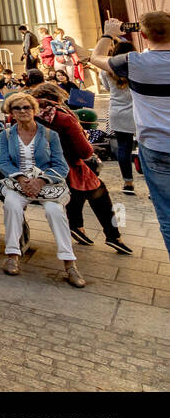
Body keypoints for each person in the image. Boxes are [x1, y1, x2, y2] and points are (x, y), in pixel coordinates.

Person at [90, 14, 170, 257]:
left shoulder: (133, 62)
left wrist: (107, 33)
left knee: (167, 215)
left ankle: (128, 180)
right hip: (152, 145)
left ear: (143, 35)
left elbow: (96, 58)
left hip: (156, 145)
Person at [31, 82, 131, 255]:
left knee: (81, 186)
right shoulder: (62, 117)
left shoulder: (26, 113)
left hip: (33, 168)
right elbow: (84, 151)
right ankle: (113, 235)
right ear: (56, 97)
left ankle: (77, 226)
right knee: (97, 189)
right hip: (63, 168)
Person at [0, 93, 85, 287]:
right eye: (17, 108)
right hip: (19, 183)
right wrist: (20, 177)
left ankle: (69, 263)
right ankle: (12, 255)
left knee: (55, 211)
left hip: (46, 184)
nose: (22, 111)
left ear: (34, 110)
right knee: (11, 204)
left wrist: (42, 181)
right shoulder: (7, 134)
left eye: (26, 107)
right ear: (11, 113)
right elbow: (2, 160)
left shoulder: (49, 135)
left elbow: (61, 165)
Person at [100, 40, 138, 195]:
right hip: (137, 110)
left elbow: (107, 88)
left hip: (117, 110)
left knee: (123, 147)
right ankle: (151, 184)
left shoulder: (106, 70)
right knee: (144, 147)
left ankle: (128, 182)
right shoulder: (137, 68)